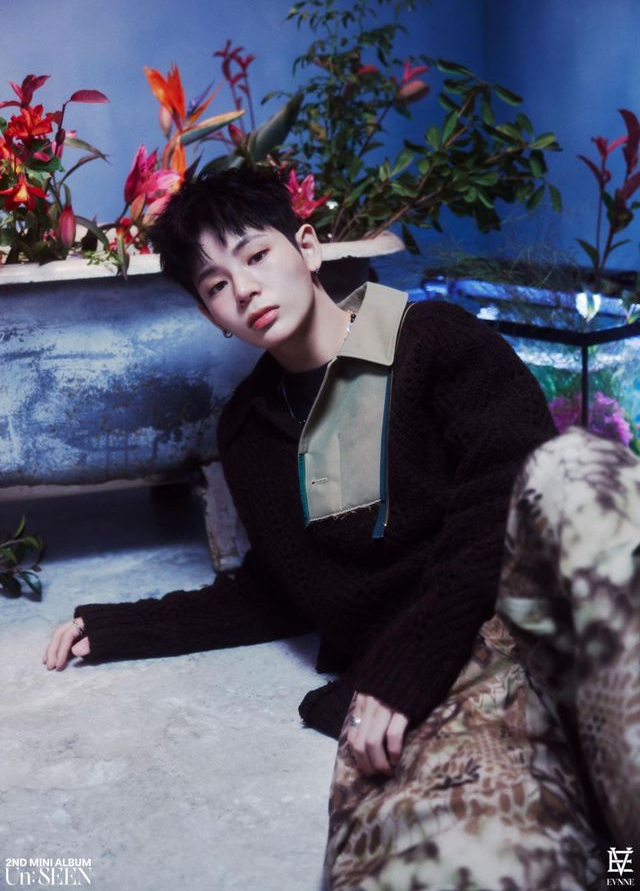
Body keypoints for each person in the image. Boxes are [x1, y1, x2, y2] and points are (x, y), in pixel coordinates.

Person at [43, 166, 637, 889]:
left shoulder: (434, 341)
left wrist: (407, 665)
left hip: (543, 618)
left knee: (573, 467)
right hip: (448, 689)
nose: (245, 289)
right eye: (217, 285)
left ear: (308, 248)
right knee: (449, 866)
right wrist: (118, 628)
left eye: (257, 256)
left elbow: (504, 499)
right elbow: (279, 585)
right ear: (210, 314)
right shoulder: (249, 431)